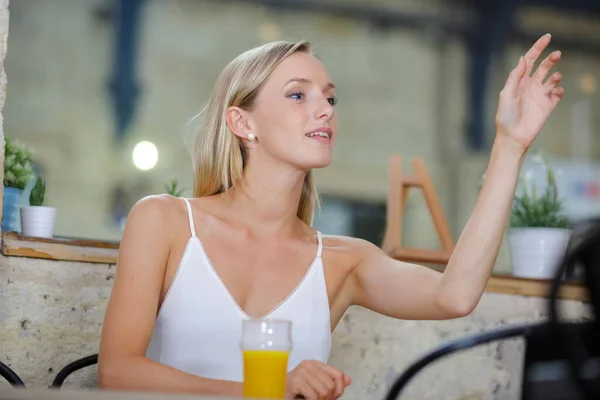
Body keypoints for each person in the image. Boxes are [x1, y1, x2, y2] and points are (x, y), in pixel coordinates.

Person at [98, 33, 564, 399]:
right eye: (298, 96)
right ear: (243, 124)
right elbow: (117, 373)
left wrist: (510, 143)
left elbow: (455, 296)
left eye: (330, 98)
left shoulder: (344, 261)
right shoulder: (163, 221)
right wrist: (267, 392)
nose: (325, 109)